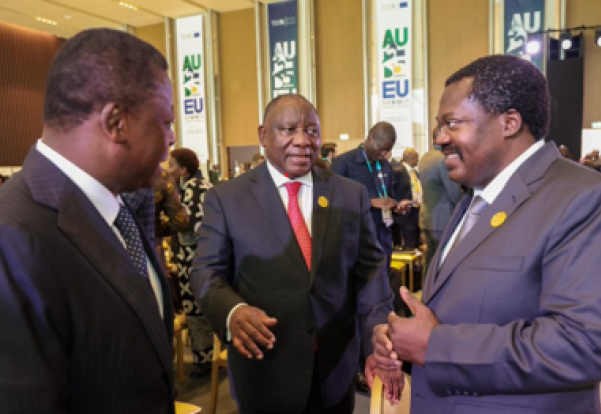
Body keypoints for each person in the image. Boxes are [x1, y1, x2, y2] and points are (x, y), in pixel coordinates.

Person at [373, 54, 601, 414]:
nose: (439, 139)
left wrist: (435, 346)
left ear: (509, 122)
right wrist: (402, 341)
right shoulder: (474, 198)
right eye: (439, 126)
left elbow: (585, 344)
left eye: (452, 124)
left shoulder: (588, 199)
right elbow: (465, 306)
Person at [0, 28, 176, 413]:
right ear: (116, 122)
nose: (172, 138)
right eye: (165, 122)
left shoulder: (119, 204)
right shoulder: (14, 237)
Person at [191, 94, 398, 414]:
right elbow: (206, 272)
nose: (302, 141)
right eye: (288, 130)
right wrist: (233, 311)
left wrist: (376, 333)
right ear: (263, 135)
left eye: (312, 131)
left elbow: (370, 269)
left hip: (334, 371)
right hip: (265, 370)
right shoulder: (226, 199)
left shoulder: (349, 194)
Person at [330, 122, 412, 267]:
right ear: (371, 137)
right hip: (356, 238)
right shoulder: (343, 163)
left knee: (383, 276)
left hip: (383, 236)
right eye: (381, 148)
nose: (384, 154)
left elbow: (388, 195)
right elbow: (331, 199)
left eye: (388, 150)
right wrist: (370, 202)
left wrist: (397, 207)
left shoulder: (385, 165)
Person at [168, 147, 215, 378]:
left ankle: (203, 359)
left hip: (192, 257)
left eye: (172, 165)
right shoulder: (206, 185)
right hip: (209, 255)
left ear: (183, 170)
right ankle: (213, 353)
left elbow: (185, 224)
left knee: (195, 309)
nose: (168, 170)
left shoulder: (189, 189)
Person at [417, 128, 463, 272]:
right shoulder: (442, 159)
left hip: (427, 217)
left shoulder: (425, 157)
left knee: (430, 261)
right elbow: (453, 192)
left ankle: (426, 287)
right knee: (442, 263)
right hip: (442, 219)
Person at [391, 148, 422, 250]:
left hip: (416, 209)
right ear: (413, 158)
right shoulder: (397, 171)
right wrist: (396, 205)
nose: (418, 160)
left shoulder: (415, 172)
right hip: (405, 212)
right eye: (417, 158)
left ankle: (415, 258)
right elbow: (390, 190)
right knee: (410, 242)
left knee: (416, 241)